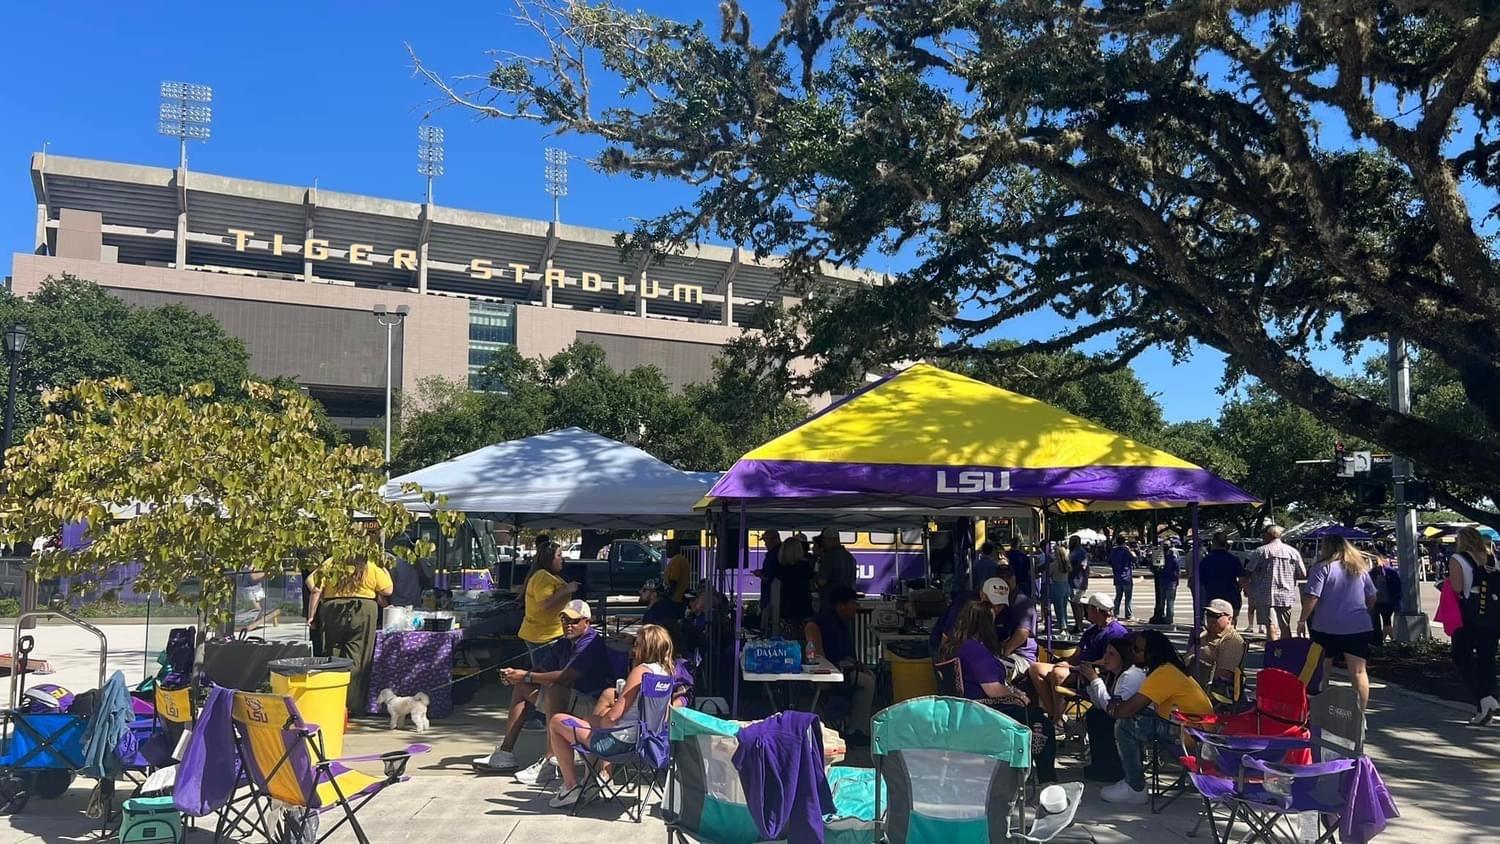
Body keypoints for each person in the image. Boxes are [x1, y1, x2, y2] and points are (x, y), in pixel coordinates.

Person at [476, 599, 618, 777]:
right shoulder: (563, 643)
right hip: (571, 699)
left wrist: (526, 675)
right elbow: (542, 670)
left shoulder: (592, 643)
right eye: (564, 621)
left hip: (592, 705)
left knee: (555, 690)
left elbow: (567, 677)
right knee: (522, 687)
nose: (567, 625)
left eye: (573, 621)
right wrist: (516, 676)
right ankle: (505, 754)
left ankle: (550, 760)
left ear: (587, 622)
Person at [546, 623, 675, 807]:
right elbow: (664, 716)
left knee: (557, 722)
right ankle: (591, 783)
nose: (633, 649)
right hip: (645, 742)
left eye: (637, 644)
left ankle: (570, 787)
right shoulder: (665, 674)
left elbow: (613, 717)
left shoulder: (641, 671)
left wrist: (605, 717)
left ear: (645, 647)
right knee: (591, 719)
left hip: (620, 744)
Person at [1099, 630, 1212, 804]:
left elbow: (1127, 711)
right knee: (1136, 718)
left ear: (1150, 653)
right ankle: (1132, 779)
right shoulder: (1169, 669)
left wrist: (1114, 708)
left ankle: (1134, 786)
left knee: (1125, 726)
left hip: (1190, 733)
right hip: (1192, 726)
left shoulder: (1163, 673)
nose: (1133, 652)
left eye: (1137, 649)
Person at [305, 545, 394, 713]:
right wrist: (385, 570)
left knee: (332, 654)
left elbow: (314, 587)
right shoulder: (370, 564)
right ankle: (352, 706)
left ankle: (332, 702)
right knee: (358, 658)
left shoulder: (331, 562)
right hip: (364, 608)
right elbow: (387, 590)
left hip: (333, 608)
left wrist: (311, 615)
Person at [1027, 593, 1130, 728]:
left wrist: (1076, 666)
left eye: (1088, 608)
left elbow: (1109, 661)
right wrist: (1067, 662)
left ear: (1096, 610)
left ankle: (1057, 723)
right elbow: (1078, 652)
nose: (1086, 611)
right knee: (1035, 668)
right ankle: (1054, 715)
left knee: (1058, 674)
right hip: (1077, 668)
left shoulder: (1116, 632)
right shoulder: (1092, 629)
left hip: (1093, 673)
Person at [1298, 536, 1376, 710]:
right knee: (1358, 671)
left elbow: (1312, 596)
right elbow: (1371, 596)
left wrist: (1302, 619)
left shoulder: (1321, 567)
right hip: (1358, 626)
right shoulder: (1359, 568)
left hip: (1326, 626)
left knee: (1322, 670)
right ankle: (1360, 713)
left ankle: (1320, 709)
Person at [804, 586, 874, 742]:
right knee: (867, 682)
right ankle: (857, 730)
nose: (856, 607)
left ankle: (855, 725)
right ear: (841, 605)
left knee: (869, 675)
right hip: (828, 673)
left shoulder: (840, 621)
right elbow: (823, 656)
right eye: (853, 603)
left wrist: (855, 663)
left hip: (840, 669)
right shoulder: (824, 623)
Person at [1447, 526, 1500, 725]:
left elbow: (1458, 587)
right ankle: (1488, 700)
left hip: (1469, 616)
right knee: (1487, 658)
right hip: (1493, 617)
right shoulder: (1494, 560)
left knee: (1461, 657)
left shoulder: (1458, 559)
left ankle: (1483, 698)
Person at [1076, 634, 1144, 782]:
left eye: (1111, 654)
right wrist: (1090, 683)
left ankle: (1112, 768)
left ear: (1123, 657)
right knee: (1094, 714)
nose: (1106, 657)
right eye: (1106, 653)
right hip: (1123, 717)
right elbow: (1101, 704)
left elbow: (1114, 709)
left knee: (1100, 719)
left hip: (1137, 721)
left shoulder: (1130, 676)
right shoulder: (1116, 675)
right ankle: (1101, 765)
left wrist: (1095, 680)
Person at [938, 600, 1030, 706]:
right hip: (982, 708)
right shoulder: (974, 650)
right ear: (986, 624)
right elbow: (994, 690)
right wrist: (1015, 693)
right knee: (1033, 713)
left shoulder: (953, 645)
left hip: (962, 706)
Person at [520, 541, 579, 667]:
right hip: (543, 636)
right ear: (549, 558)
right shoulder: (542, 577)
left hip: (551, 633)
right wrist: (566, 589)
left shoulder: (552, 577)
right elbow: (544, 604)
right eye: (559, 555)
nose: (562, 559)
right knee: (545, 674)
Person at [1245, 525, 1305, 642]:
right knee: (1285, 626)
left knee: (1270, 626)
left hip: (1265, 594)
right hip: (1286, 594)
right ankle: (1286, 652)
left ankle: (1274, 653)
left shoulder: (1261, 551)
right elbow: (1303, 574)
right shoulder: (1293, 552)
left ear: (1269, 535)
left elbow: (1248, 570)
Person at [1197, 598, 1246, 699]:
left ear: (1229, 619)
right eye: (1209, 615)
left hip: (1204, 690)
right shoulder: (1204, 634)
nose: (1211, 619)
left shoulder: (1232, 640)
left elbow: (1223, 675)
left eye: (1216, 616)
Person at [771, 534, 815, 637]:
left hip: (786, 608)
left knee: (788, 641)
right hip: (804, 607)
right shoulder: (805, 566)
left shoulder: (780, 568)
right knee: (806, 639)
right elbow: (812, 586)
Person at [1198, 532, 1244, 621]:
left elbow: (1202, 580)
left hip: (1212, 596)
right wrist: (1246, 590)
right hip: (1231, 596)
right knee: (1231, 623)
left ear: (1213, 543)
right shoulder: (1233, 559)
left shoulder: (1206, 560)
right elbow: (1242, 578)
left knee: (1214, 624)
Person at [814, 528, 858, 600]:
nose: (822, 543)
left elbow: (821, 582)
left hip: (831, 600)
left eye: (824, 540)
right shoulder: (849, 557)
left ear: (831, 540)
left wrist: (814, 575)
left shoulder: (829, 557)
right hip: (846, 600)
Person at [1368, 555, 1402, 647]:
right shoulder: (1371, 573)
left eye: (1376, 560)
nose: (1375, 563)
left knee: (1386, 621)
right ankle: (1379, 642)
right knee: (1376, 624)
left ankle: (1388, 641)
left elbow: (1397, 588)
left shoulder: (1390, 572)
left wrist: (1397, 602)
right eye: (1373, 561)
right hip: (1376, 602)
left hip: (1387, 601)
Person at [754, 531, 783, 633]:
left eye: (766, 541)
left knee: (770, 624)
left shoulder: (773, 554)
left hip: (771, 596)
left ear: (774, 540)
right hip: (774, 595)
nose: (765, 544)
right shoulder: (780, 552)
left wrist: (760, 574)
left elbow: (768, 576)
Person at [1049, 538, 1077, 633]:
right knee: (1064, 607)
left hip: (1057, 585)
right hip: (1066, 585)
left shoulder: (1054, 564)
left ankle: (1062, 626)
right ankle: (1065, 625)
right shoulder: (1067, 564)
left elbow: (1049, 574)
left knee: (1058, 608)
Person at [1151, 542, 1181, 626]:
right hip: (1171, 581)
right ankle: (1169, 619)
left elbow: (1154, 568)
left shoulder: (1160, 558)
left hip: (1163, 581)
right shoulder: (1173, 558)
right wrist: (1177, 580)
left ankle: (1161, 616)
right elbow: (1178, 571)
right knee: (1170, 601)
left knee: (1162, 601)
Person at [1109, 535, 1137, 620]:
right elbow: (1134, 559)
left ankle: (1115, 613)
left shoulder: (1113, 551)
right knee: (1128, 598)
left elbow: (1109, 561)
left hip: (1117, 576)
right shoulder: (1126, 550)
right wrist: (1131, 551)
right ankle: (1128, 614)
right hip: (1127, 576)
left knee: (1118, 596)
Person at [662, 539, 693, 605]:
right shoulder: (682, 559)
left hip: (675, 599)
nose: (667, 551)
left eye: (669, 549)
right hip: (680, 597)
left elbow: (673, 580)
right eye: (666, 549)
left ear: (675, 549)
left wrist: (669, 595)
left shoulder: (676, 561)